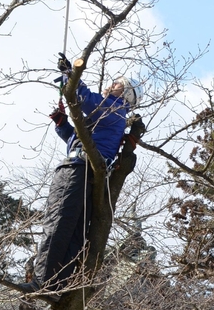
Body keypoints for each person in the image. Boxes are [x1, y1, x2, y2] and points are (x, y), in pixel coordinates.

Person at [18, 58, 141, 294]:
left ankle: (42, 281)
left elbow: (82, 97)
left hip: (77, 168)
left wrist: (69, 74)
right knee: (74, 230)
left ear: (124, 92)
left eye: (116, 83)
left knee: (58, 222)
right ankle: (59, 287)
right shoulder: (113, 115)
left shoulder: (112, 106)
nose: (111, 84)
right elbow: (80, 137)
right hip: (90, 170)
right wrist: (62, 123)